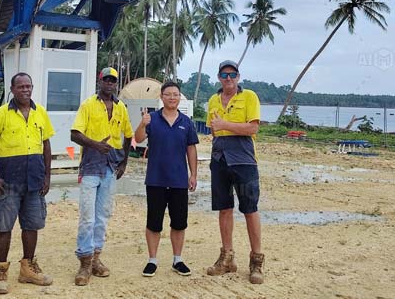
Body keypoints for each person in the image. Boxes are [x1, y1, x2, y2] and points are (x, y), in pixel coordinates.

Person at [0, 72, 54, 294]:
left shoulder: (40, 112)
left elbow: (46, 144)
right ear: (12, 89)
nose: (25, 90)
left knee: (32, 226)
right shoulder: (2, 114)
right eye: (21, 86)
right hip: (9, 183)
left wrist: (47, 176)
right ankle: (1, 270)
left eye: (28, 86)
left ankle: (27, 268)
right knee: (4, 227)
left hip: (35, 181)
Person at [70, 66, 133, 286]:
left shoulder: (121, 108)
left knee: (103, 215)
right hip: (90, 166)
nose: (109, 83)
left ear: (116, 84)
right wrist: (95, 144)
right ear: (100, 81)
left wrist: (124, 161)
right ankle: (84, 261)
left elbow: (128, 135)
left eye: (113, 80)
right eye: (106, 80)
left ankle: (96, 257)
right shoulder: (88, 105)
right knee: (87, 216)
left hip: (110, 167)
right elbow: (75, 134)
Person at [205, 60, 265, 284]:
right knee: (224, 209)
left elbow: (253, 128)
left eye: (232, 74)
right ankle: (227, 258)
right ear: (219, 77)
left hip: (244, 160)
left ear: (238, 76)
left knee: (250, 209)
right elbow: (213, 129)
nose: (228, 78)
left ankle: (256, 261)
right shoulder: (212, 100)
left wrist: (225, 125)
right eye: (224, 74)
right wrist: (220, 130)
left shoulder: (249, 97)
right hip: (219, 159)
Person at [133, 80, 198, 277]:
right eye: (168, 94)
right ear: (161, 97)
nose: (172, 97)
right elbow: (138, 138)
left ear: (180, 98)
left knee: (179, 222)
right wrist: (142, 124)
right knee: (154, 222)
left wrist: (193, 174)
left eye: (175, 94)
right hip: (155, 179)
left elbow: (191, 149)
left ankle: (177, 259)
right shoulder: (151, 118)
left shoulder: (186, 122)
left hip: (179, 180)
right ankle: (152, 260)